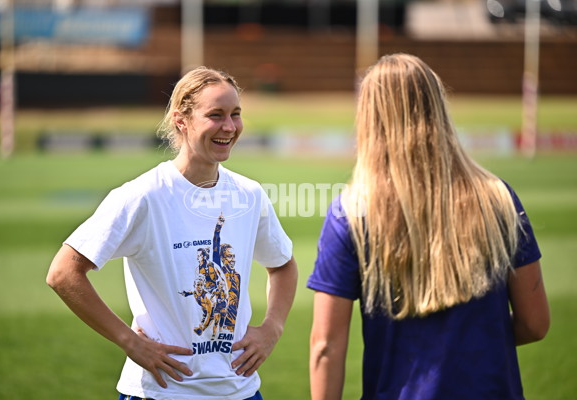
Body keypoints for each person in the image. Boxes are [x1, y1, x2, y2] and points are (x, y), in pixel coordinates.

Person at [307, 53, 549, 400]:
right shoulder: (498, 198)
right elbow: (535, 323)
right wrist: (470, 342)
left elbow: (326, 347)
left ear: (369, 118)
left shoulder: (351, 211)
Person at [47, 66, 298, 400]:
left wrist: (272, 328)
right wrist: (130, 342)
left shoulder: (248, 195)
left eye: (235, 114)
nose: (229, 127)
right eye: (215, 115)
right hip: (161, 392)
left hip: (239, 390)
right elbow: (64, 273)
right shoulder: (143, 196)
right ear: (182, 120)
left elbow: (282, 264)